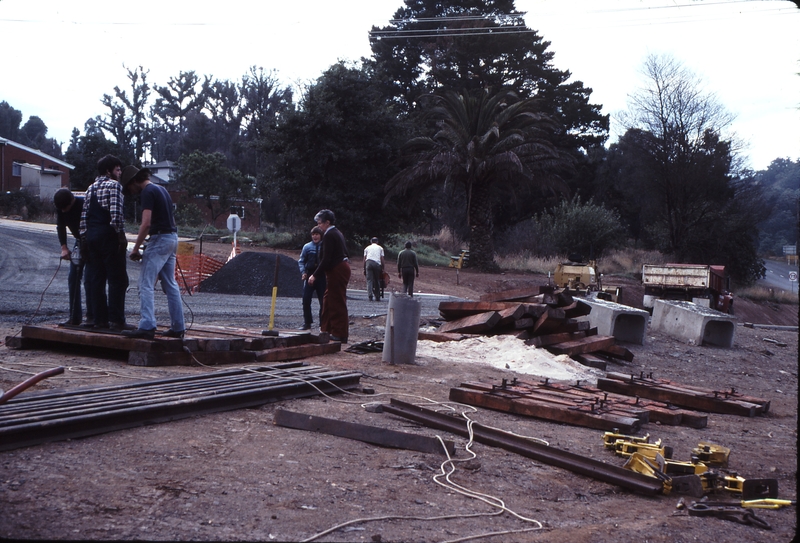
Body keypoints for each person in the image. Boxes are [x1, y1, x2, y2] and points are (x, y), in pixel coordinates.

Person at [120, 166, 186, 340]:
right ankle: (178, 327)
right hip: (172, 238)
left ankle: (147, 325)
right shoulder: (161, 189)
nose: (131, 192)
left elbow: (146, 223)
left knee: (145, 284)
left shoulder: (147, 192)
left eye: (130, 188)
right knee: (170, 284)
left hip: (159, 239)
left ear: (134, 181)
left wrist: (136, 248)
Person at [79, 154, 132, 331]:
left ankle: (99, 320)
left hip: (92, 238)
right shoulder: (114, 186)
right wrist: (120, 238)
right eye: (117, 169)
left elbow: (84, 219)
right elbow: (116, 217)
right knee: (118, 280)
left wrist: (84, 240)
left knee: (97, 280)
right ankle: (116, 320)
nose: (120, 172)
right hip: (109, 237)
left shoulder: (90, 189)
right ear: (109, 171)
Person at [308, 209, 351, 342]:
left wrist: (314, 275)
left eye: (320, 223)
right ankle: (326, 329)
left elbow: (326, 259)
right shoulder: (336, 233)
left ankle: (339, 333)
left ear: (327, 222)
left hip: (337, 269)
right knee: (328, 300)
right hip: (338, 268)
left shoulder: (329, 235)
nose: (318, 225)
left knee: (336, 300)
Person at [54, 188, 93, 326]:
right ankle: (74, 317)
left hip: (91, 242)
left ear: (72, 200)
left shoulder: (84, 205)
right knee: (73, 278)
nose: (64, 211)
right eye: (61, 208)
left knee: (90, 280)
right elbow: (60, 227)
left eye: (66, 207)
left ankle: (92, 317)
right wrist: (64, 247)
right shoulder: (61, 206)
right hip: (78, 241)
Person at [298, 226, 326, 330]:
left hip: (321, 275)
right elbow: (301, 261)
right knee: (306, 299)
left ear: (321, 235)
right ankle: (307, 322)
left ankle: (322, 323)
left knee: (323, 300)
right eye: (313, 234)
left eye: (317, 234)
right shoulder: (307, 247)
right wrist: (303, 272)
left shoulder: (324, 246)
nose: (315, 236)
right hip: (309, 274)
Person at [363, 236, 384, 301]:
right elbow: (382, 259)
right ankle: (377, 296)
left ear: (371, 242)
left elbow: (364, 259)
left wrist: (364, 268)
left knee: (369, 280)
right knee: (377, 280)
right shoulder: (380, 248)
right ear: (377, 242)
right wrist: (383, 268)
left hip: (368, 263)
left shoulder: (367, 248)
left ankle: (370, 296)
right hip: (377, 264)